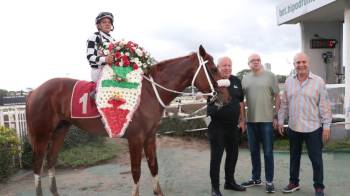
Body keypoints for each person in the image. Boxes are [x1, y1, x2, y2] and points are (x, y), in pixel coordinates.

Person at [278, 52, 332, 196]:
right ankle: (294, 182)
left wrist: (326, 126)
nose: (301, 65)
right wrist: (280, 120)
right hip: (294, 127)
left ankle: (319, 187)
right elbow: (284, 103)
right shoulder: (289, 81)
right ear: (294, 64)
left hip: (313, 128)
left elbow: (324, 105)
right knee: (294, 157)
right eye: (298, 62)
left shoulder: (318, 81)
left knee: (316, 159)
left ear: (308, 63)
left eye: (303, 62)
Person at [241, 53, 280, 193]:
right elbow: (241, 101)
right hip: (251, 122)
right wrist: (242, 119)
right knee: (254, 152)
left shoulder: (270, 76)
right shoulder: (245, 79)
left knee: (268, 153)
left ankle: (269, 181)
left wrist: (276, 116)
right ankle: (256, 178)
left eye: (258, 60)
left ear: (260, 62)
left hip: (267, 121)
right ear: (248, 64)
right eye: (252, 60)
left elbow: (277, 96)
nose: (255, 62)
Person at [207, 57, 246, 196]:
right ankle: (215, 188)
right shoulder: (212, 82)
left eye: (230, 65)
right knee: (216, 159)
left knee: (233, 155)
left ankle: (229, 182)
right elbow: (209, 108)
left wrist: (242, 120)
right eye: (224, 65)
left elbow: (241, 102)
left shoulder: (236, 80)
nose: (227, 68)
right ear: (218, 67)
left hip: (233, 127)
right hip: (217, 128)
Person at [87, 12, 115, 82]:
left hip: (112, 69)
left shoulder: (114, 40)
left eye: (109, 22)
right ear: (99, 25)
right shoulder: (94, 37)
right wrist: (105, 59)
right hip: (98, 71)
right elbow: (90, 57)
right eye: (104, 22)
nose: (107, 24)